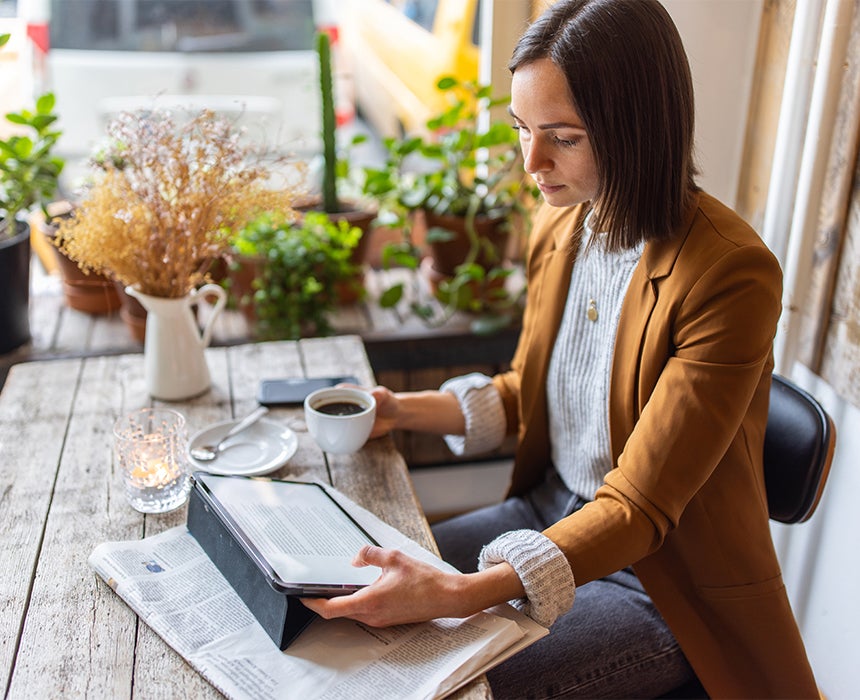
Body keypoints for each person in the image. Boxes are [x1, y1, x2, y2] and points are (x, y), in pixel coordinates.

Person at [303, 0, 820, 696]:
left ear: (638, 130)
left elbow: (638, 509)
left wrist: (459, 596)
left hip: (660, 582)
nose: (532, 162)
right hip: (547, 512)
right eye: (522, 129)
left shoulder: (729, 274)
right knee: (344, 588)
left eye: (563, 137)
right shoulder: (567, 222)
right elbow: (533, 388)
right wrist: (404, 411)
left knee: (427, 674)